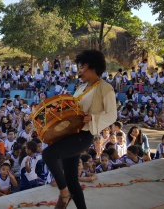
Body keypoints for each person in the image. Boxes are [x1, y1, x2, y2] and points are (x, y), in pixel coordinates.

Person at [42, 50, 117, 209]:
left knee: (48, 154)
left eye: (82, 67)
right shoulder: (81, 87)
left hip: (83, 136)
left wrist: (94, 117)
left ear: (93, 67)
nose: (79, 70)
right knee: (71, 180)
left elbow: (112, 115)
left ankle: (64, 193)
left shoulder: (105, 88)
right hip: (71, 134)